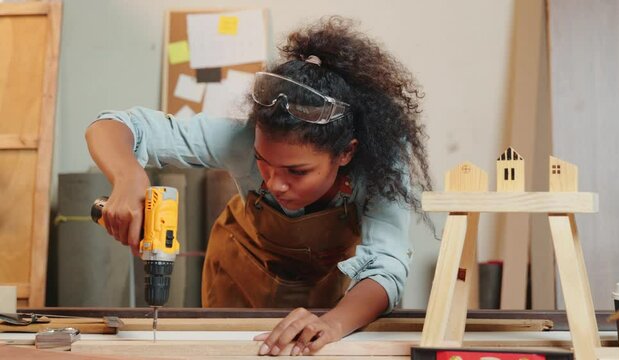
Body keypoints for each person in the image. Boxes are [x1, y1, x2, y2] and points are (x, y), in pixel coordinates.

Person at [85, 16, 432, 356]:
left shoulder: (380, 167)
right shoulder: (238, 139)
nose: (276, 183)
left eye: (297, 171)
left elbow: (386, 268)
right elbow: (115, 125)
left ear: (346, 153)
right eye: (263, 162)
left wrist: (334, 323)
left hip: (331, 298)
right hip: (239, 280)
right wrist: (129, 176)